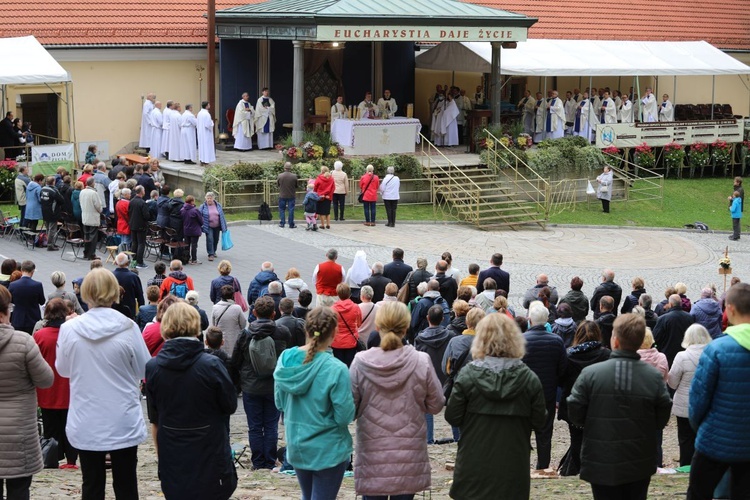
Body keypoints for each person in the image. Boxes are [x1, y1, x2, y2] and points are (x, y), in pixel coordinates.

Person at [56, 268, 151, 500]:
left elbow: (63, 369)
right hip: (122, 416)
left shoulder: (69, 329)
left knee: (92, 482)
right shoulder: (128, 327)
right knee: (126, 482)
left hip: (87, 416)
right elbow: (143, 369)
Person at [567, 314, 672, 500]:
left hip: (601, 457)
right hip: (639, 457)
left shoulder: (591, 374)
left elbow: (574, 410)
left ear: (615, 341)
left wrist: (592, 423)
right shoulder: (653, 377)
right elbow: (662, 416)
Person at [350, 301, 444, 500]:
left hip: (373, 453)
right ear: (406, 327)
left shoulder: (361, 362)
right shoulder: (421, 361)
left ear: (377, 327)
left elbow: (350, 408)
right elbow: (436, 404)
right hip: (408, 455)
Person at [446, 313, 545, 498]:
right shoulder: (529, 379)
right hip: (513, 466)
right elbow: (540, 421)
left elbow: (452, 416)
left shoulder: (468, 376)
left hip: (474, 463)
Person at [145, 301, 237, 500]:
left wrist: (161, 457)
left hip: (173, 450)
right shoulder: (211, 364)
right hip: (209, 450)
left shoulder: (153, 367)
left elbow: (155, 419)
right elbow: (230, 404)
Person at [274, 306, 355, 498]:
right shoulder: (336, 368)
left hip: (297, 444)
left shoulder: (286, 359)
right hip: (328, 448)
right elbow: (344, 417)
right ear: (334, 333)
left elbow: (279, 403)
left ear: (306, 329)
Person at [688, 282, 750, 499]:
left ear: (730, 309)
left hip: (715, 442)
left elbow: (698, 399)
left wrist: (701, 428)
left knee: (699, 492)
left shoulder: (716, 349)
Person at [0, 285, 54, 499]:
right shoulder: (23, 342)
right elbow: (46, 379)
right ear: (5, 312)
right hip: (19, 433)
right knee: (19, 490)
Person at [231, 296, 291, 470]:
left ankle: (258, 462)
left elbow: (236, 361)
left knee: (255, 426)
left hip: (251, 385)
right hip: (274, 384)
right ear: (274, 313)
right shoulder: (282, 332)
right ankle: (270, 459)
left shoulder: (245, 334)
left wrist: (238, 384)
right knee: (271, 425)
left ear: (254, 313)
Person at [557, 321, 611, 476]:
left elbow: (561, 379)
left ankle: (579, 467)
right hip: (598, 402)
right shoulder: (605, 355)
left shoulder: (568, 355)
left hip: (573, 402)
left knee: (576, 438)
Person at [34, 298, 79, 470]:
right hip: (69, 387)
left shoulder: (40, 335)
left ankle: (51, 458)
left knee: (50, 426)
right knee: (70, 426)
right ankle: (71, 460)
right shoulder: (73, 334)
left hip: (47, 389)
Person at [523, 301, 567, 472]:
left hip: (525, 393)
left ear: (530, 320)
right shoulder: (556, 341)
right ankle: (543, 466)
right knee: (545, 432)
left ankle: (522, 463)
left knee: (523, 431)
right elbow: (563, 369)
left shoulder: (521, 340)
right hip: (547, 392)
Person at [667, 324, 712, 467]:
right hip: (708, 403)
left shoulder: (682, 356)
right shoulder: (712, 354)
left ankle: (686, 466)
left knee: (685, 439)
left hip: (684, 403)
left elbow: (672, 382)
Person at [414, 304, 458, 444]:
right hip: (446, 376)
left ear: (428, 318)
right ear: (443, 318)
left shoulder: (420, 338)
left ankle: (429, 438)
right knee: (452, 405)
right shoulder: (450, 336)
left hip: (428, 376)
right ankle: (457, 436)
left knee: (427, 405)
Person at [653, 294, 695, 367]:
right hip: (685, 354)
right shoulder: (689, 318)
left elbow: (655, 338)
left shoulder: (663, 319)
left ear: (671, 304)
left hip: (667, 355)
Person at [8, 260, 45, 334]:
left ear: (21, 270)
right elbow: (42, 302)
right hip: (33, 319)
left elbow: (9, 301)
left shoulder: (13, 285)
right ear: (33, 271)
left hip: (17, 319)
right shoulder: (38, 285)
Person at [211, 285, 247, 358]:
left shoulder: (215, 307)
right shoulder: (237, 308)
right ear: (233, 295)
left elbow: (214, 324)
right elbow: (243, 324)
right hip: (235, 339)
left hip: (220, 340)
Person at [330, 283, 361, 367]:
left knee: (338, 365)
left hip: (337, 342)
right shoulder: (355, 307)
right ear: (349, 293)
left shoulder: (333, 309)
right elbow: (359, 323)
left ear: (338, 294)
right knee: (350, 365)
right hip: (351, 341)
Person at [199, 191, 228, 262]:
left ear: (213, 198)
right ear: (205, 198)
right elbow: (199, 216)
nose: (209, 199)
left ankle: (214, 251)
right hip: (208, 226)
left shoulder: (218, 205)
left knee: (216, 239)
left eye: (210, 198)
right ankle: (210, 254)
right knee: (210, 239)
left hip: (217, 226)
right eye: (208, 198)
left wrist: (224, 226)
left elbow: (222, 216)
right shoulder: (203, 206)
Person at [128, 185, 150, 269]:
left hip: (133, 224)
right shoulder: (142, 202)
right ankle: (140, 262)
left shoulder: (132, 201)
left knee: (134, 243)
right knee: (141, 243)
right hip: (141, 225)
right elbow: (146, 216)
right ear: (141, 192)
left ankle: (133, 260)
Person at [40, 176, 64, 251]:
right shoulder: (54, 191)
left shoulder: (42, 189)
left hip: (44, 211)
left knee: (48, 228)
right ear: (53, 182)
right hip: (53, 212)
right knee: (52, 229)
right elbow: (61, 200)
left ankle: (50, 242)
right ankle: (50, 245)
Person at [180, 195, 203, 265]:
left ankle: (186, 258)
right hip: (194, 230)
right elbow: (201, 221)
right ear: (192, 201)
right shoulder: (195, 210)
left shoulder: (182, 210)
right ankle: (194, 259)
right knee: (194, 245)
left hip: (186, 230)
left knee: (187, 245)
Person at [277, 162, 297, 229]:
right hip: (291, 195)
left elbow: (278, 185)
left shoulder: (280, 175)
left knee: (282, 209)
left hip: (282, 195)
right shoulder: (294, 176)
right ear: (290, 168)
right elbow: (296, 185)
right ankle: (291, 224)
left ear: (284, 168)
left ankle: (282, 223)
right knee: (291, 210)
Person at [197, 101, 216, 165]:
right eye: (209, 104)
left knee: (202, 147)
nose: (209, 105)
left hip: (201, 133)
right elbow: (208, 125)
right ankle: (206, 161)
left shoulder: (199, 113)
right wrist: (212, 123)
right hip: (206, 133)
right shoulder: (207, 114)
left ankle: (202, 160)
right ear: (207, 106)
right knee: (206, 147)